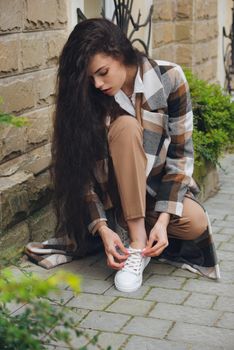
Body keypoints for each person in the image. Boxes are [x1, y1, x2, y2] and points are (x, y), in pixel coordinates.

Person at [26, 18, 219, 291]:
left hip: (153, 193)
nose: (97, 84)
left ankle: (135, 232)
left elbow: (181, 155)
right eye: (90, 78)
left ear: (119, 53)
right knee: (126, 126)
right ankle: (136, 243)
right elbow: (81, 175)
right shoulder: (89, 99)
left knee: (195, 223)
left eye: (102, 72)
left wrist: (163, 222)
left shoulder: (170, 78)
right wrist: (102, 228)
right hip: (111, 197)